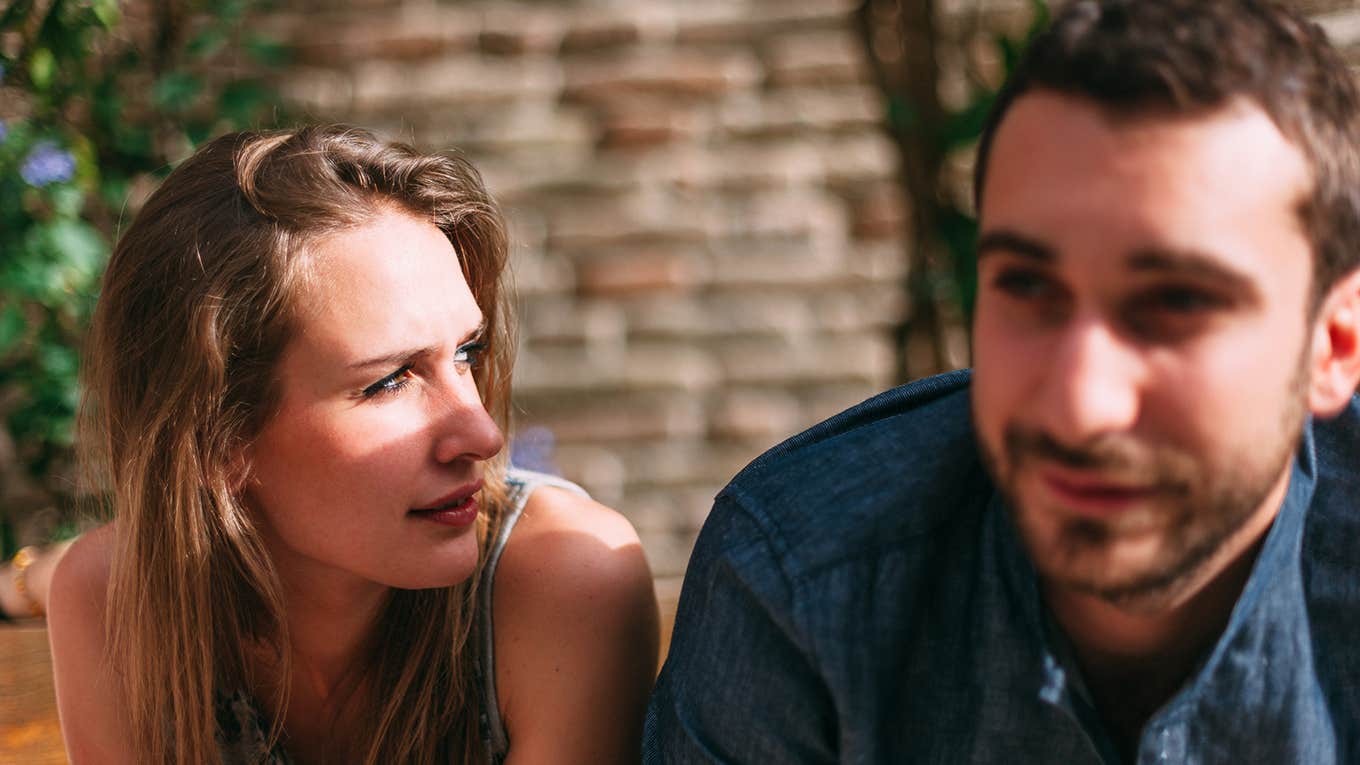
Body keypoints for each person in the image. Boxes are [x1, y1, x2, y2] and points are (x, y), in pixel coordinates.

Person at [645, 0, 1360, 762]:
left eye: (1175, 302)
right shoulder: (800, 586)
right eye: (1027, 286)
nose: (1081, 402)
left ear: (1334, 348)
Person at [47, 126, 659, 764]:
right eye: (390, 380)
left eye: (466, 353)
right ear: (216, 439)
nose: (483, 434)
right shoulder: (117, 603)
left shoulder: (564, 582)